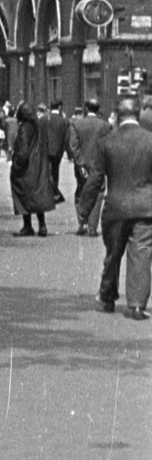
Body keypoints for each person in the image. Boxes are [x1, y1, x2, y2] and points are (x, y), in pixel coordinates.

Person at [81, 96, 152, 318]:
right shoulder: (150, 140)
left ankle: (107, 296)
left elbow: (95, 179)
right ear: (138, 115)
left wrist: (84, 209)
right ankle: (137, 305)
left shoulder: (106, 143)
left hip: (116, 207)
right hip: (145, 208)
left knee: (113, 254)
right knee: (141, 253)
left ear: (118, 116)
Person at [10, 101, 56, 236]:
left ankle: (27, 226)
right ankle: (42, 226)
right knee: (37, 196)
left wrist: (16, 164)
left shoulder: (25, 127)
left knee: (24, 196)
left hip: (26, 168)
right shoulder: (38, 125)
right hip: (38, 166)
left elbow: (23, 150)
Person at [68, 98, 110, 236]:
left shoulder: (76, 123)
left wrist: (80, 164)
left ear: (86, 108)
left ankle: (82, 224)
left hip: (82, 167)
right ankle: (92, 227)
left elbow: (74, 146)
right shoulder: (105, 126)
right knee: (98, 193)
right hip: (98, 166)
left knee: (81, 192)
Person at [44, 99, 69, 202]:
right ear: (59, 107)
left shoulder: (45, 119)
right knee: (55, 171)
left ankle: (50, 192)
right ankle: (54, 192)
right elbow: (66, 137)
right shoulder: (64, 121)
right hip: (58, 150)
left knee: (47, 170)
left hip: (46, 149)